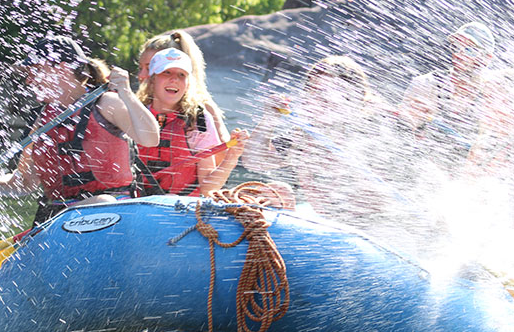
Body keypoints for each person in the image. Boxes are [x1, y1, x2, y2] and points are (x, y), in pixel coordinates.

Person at [0, 35, 160, 225]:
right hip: (59, 220)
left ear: (62, 68)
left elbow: (151, 139)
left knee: (102, 203)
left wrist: (126, 93)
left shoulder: (107, 103)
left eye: (36, 70)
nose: (29, 80)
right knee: (96, 206)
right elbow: (24, 183)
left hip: (113, 215)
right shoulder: (42, 121)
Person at [242, 55, 395, 222]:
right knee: (277, 191)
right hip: (329, 226)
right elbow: (253, 162)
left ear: (355, 98)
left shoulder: (374, 131)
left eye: (331, 94)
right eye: (315, 92)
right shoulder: (302, 136)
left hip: (376, 226)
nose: (322, 100)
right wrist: (269, 120)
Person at [135, 47, 249, 196]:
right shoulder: (134, 114)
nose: (174, 79)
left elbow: (208, 189)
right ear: (152, 80)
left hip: (182, 207)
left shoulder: (198, 120)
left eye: (181, 75)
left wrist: (233, 156)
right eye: (166, 72)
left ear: (188, 84)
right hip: (136, 203)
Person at [397, 21, 497, 164]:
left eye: (469, 50)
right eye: (456, 47)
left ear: (486, 59)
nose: (458, 55)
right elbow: (401, 131)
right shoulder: (427, 84)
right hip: (420, 168)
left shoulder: (493, 96)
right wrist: (412, 120)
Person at [137, 30, 230, 143]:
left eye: (149, 68)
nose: (141, 75)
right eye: (140, 68)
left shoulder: (199, 112)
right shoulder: (138, 105)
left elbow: (223, 151)